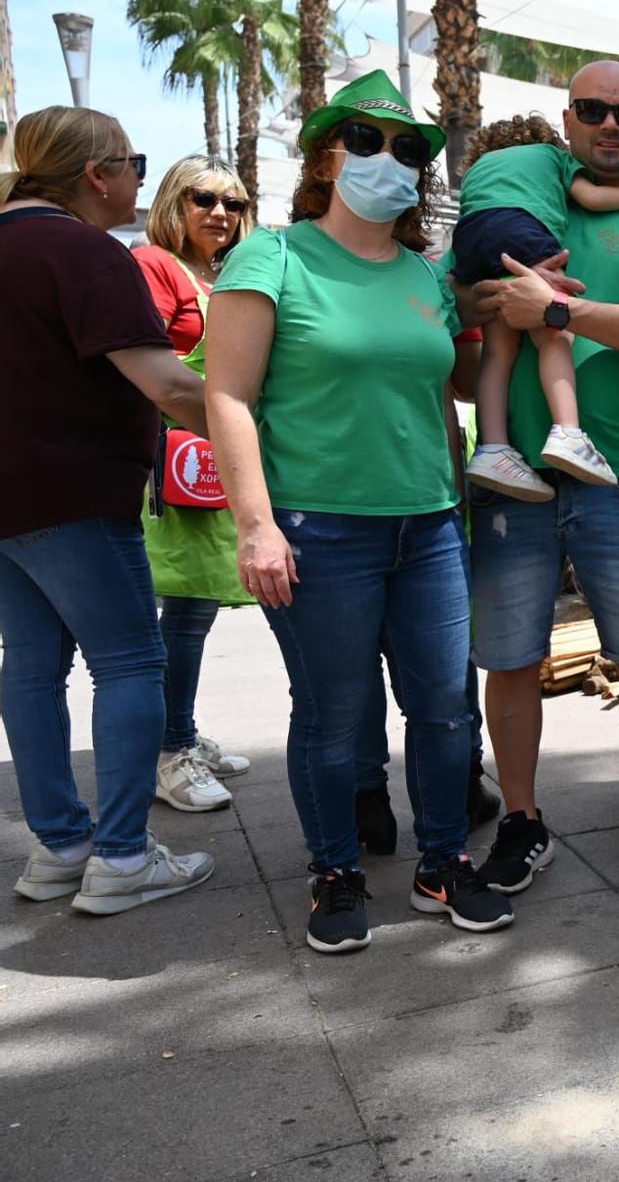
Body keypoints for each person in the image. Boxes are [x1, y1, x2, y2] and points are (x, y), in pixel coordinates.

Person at [205, 71, 512, 953]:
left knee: (448, 709)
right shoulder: (275, 255)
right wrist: (255, 524)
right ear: (327, 157)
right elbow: (227, 394)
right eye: (369, 142)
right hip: (318, 529)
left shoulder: (424, 272)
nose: (392, 161)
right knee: (336, 715)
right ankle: (335, 870)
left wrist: (494, 309)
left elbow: (455, 378)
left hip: (428, 525)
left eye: (410, 148)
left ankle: (443, 861)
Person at [469, 63, 619, 892]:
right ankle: (523, 819)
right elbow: (459, 317)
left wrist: (558, 312)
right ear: (565, 121)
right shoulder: (519, 210)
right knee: (509, 656)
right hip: (513, 482)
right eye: (596, 110)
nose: (613, 125)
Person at [1, 107, 218, 914]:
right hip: (77, 490)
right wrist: (254, 429)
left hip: (12, 499)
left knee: (29, 667)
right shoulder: (87, 252)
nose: (136, 177)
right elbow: (167, 383)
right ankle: (123, 856)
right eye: (133, 162)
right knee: (130, 662)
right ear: (96, 174)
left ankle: (61, 847)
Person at [457, 114, 619, 499]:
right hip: (521, 231)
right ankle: (568, 432)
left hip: (472, 239)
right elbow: (591, 197)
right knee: (554, 331)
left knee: (498, 353)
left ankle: (492, 447)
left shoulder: (480, 172)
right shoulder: (555, 159)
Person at [131, 155, 256, 812]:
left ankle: (180, 733)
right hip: (174, 455)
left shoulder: (224, 273)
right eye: (203, 197)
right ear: (173, 203)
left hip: (210, 455)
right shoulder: (155, 264)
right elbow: (144, 364)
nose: (220, 213)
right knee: (181, 607)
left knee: (197, 605)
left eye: (233, 204)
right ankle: (169, 751)